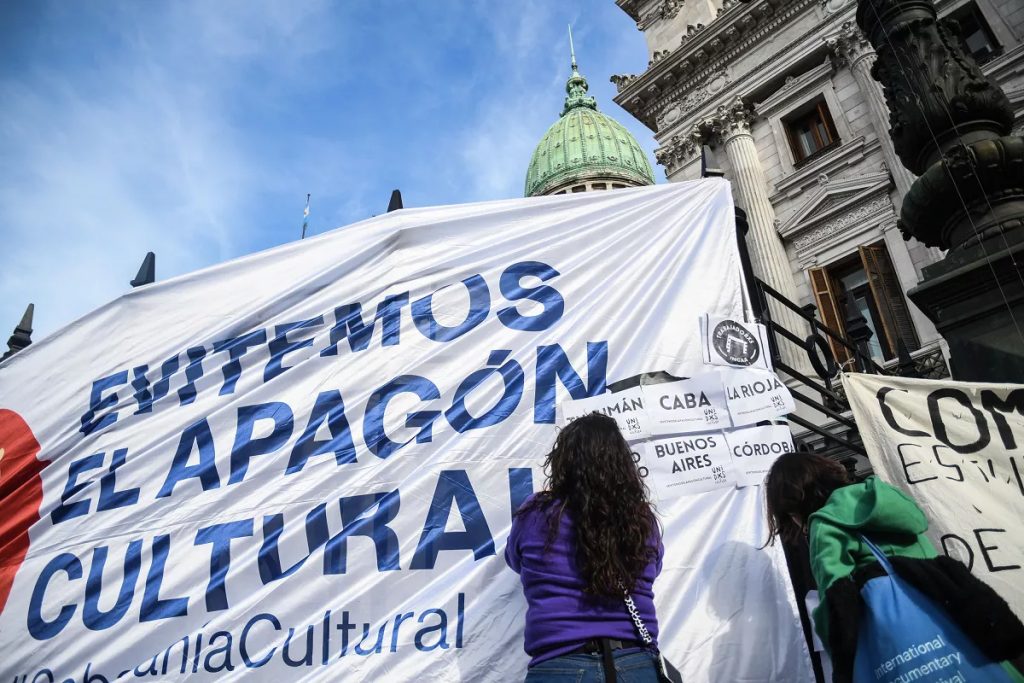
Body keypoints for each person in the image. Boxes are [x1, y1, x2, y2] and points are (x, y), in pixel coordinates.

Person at [763, 452, 1024, 683]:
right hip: (955, 621)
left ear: (795, 502)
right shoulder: (882, 496)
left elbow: (836, 605)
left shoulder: (824, 523)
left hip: (903, 648)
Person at [505, 412, 665, 682]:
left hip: (559, 666)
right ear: (623, 463)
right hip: (636, 663)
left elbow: (515, 560)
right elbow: (654, 568)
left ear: (563, 462)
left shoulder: (535, 513)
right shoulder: (641, 520)